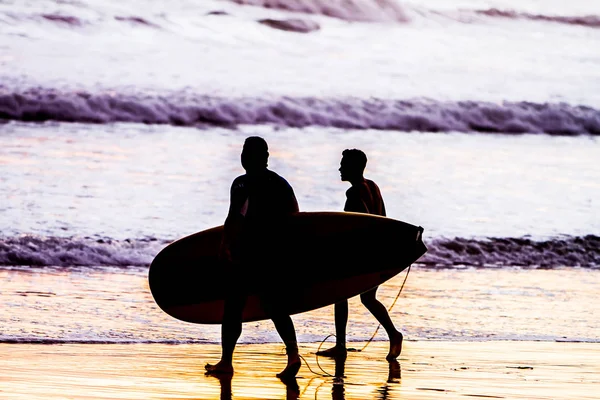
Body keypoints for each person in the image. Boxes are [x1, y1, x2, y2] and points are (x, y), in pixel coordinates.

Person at [205, 136, 302, 378]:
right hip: (273, 254)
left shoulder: (242, 184)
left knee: (233, 308)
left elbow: (234, 217)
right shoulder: (281, 183)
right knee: (275, 306)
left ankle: (226, 361)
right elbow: (295, 216)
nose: (242, 156)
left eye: (246, 152)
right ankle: (293, 355)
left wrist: (225, 245)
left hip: (247, 253)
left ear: (252, 157)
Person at [316, 148, 404, 361]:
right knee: (367, 298)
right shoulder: (372, 186)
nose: (339, 168)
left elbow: (354, 227)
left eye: (343, 164)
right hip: (379, 253)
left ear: (353, 167)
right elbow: (380, 220)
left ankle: (341, 346)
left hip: (363, 255)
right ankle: (393, 334)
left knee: (341, 294)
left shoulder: (354, 193)